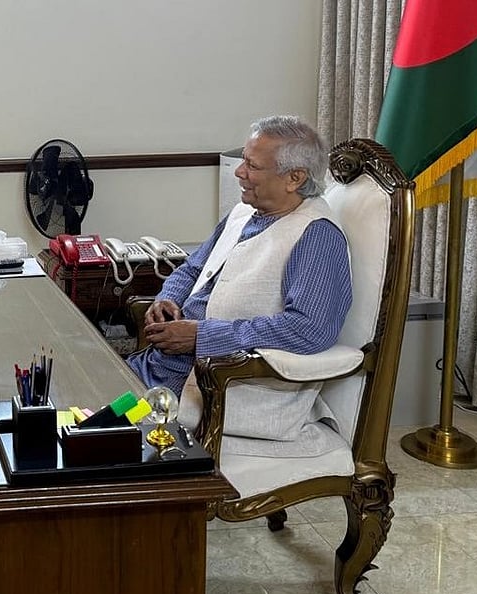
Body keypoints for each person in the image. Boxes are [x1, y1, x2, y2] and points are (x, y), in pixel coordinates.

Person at [127, 115, 353, 457]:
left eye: (252, 165)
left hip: (217, 392)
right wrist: (167, 299)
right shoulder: (243, 214)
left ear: (295, 178)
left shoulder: (316, 236)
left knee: (92, 438)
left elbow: (310, 329)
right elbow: (192, 269)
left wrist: (202, 337)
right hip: (161, 372)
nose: (239, 172)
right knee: (73, 409)